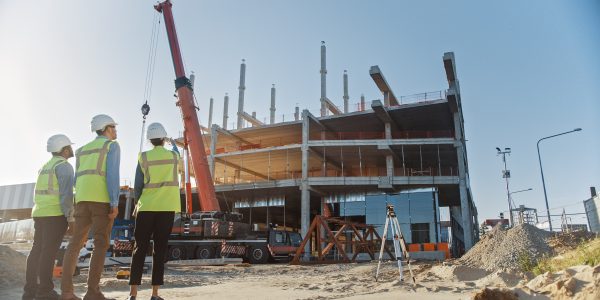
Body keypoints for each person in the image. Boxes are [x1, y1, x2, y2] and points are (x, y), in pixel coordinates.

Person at [61, 114, 120, 300]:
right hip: (101, 200)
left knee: (74, 245)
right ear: (107, 128)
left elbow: (78, 178)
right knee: (101, 244)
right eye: (114, 127)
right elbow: (112, 176)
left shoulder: (82, 150)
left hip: (82, 200)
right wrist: (114, 203)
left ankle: (67, 292)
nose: (116, 131)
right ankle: (92, 292)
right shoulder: (112, 146)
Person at [127, 123, 180, 300]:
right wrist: (172, 143)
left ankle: (132, 294)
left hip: (146, 208)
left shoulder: (143, 157)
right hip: (166, 208)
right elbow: (178, 153)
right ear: (163, 139)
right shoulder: (173, 156)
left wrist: (137, 204)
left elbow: (138, 185)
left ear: (149, 140)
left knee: (139, 248)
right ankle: (155, 294)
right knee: (160, 250)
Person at [23, 134, 76, 300]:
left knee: (36, 251)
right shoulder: (64, 166)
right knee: (48, 252)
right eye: (70, 147)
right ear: (65, 149)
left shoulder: (44, 166)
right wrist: (71, 218)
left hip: (39, 213)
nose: (71, 149)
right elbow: (66, 196)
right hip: (55, 214)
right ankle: (45, 291)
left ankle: (30, 291)